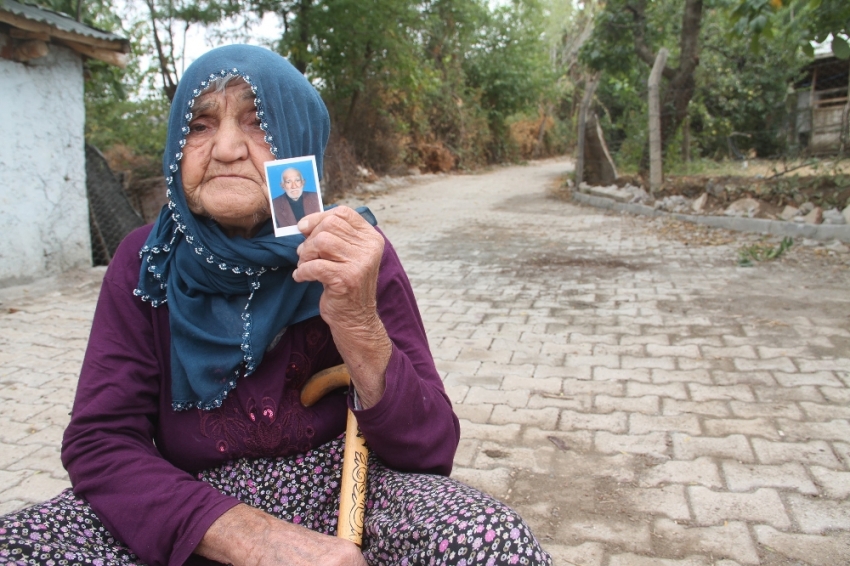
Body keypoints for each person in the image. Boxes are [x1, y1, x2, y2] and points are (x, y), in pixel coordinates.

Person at [0, 45, 551, 566]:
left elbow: (430, 449)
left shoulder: (351, 251)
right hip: (192, 506)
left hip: (351, 493)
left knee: (488, 538)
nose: (226, 149)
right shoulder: (146, 259)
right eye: (200, 125)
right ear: (175, 147)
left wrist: (359, 324)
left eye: (258, 121)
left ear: (297, 143)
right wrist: (254, 538)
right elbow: (100, 442)